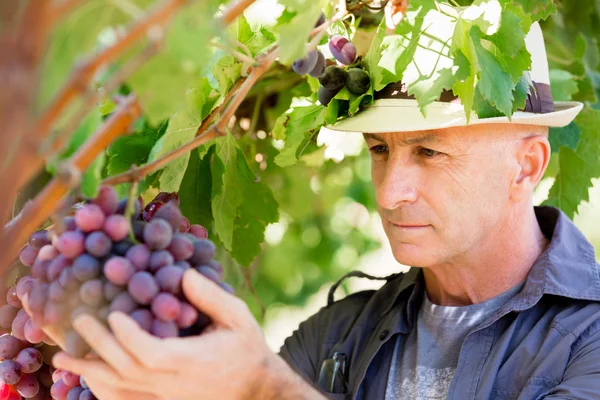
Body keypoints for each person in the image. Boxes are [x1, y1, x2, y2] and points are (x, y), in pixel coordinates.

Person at [49, 17, 600, 400]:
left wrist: (262, 388)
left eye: (430, 151)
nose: (389, 194)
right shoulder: (334, 335)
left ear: (526, 166)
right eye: (379, 150)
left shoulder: (591, 339)